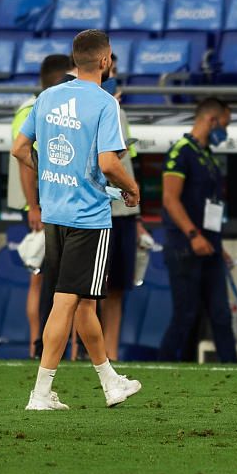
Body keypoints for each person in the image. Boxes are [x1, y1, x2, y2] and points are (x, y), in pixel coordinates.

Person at [11, 29, 142, 410]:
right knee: (67, 302)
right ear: (105, 61)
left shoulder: (47, 97)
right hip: (88, 216)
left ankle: (110, 382)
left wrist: (49, 169)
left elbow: (20, 148)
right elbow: (108, 162)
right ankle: (40, 392)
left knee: (84, 303)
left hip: (54, 212)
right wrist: (131, 188)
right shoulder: (104, 104)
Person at [157, 98, 237, 364]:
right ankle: (163, 366)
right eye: (224, 124)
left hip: (210, 246)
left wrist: (216, 244)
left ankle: (234, 371)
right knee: (186, 315)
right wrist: (193, 235)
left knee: (220, 314)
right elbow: (170, 199)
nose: (225, 131)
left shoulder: (209, 157)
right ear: (211, 120)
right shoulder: (181, 151)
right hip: (184, 245)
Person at [7, 53, 72, 357]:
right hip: (40, 207)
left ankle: (45, 345)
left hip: (50, 204)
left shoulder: (45, 105)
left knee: (51, 280)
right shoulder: (33, 109)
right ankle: (37, 343)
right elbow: (24, 159)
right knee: (40, 278)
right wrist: (34, 206)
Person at [102, 52, 145, 361]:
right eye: (110, 69)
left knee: (117, 288)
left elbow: (125, 162)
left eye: (116, 69)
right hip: (98, 210)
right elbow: (107, 163)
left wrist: (136, 213)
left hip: (124, 213)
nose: (113, 76)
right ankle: (82, 353)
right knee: (88, 291)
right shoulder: (92, 110)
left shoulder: (119, 111)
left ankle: (111, 354)